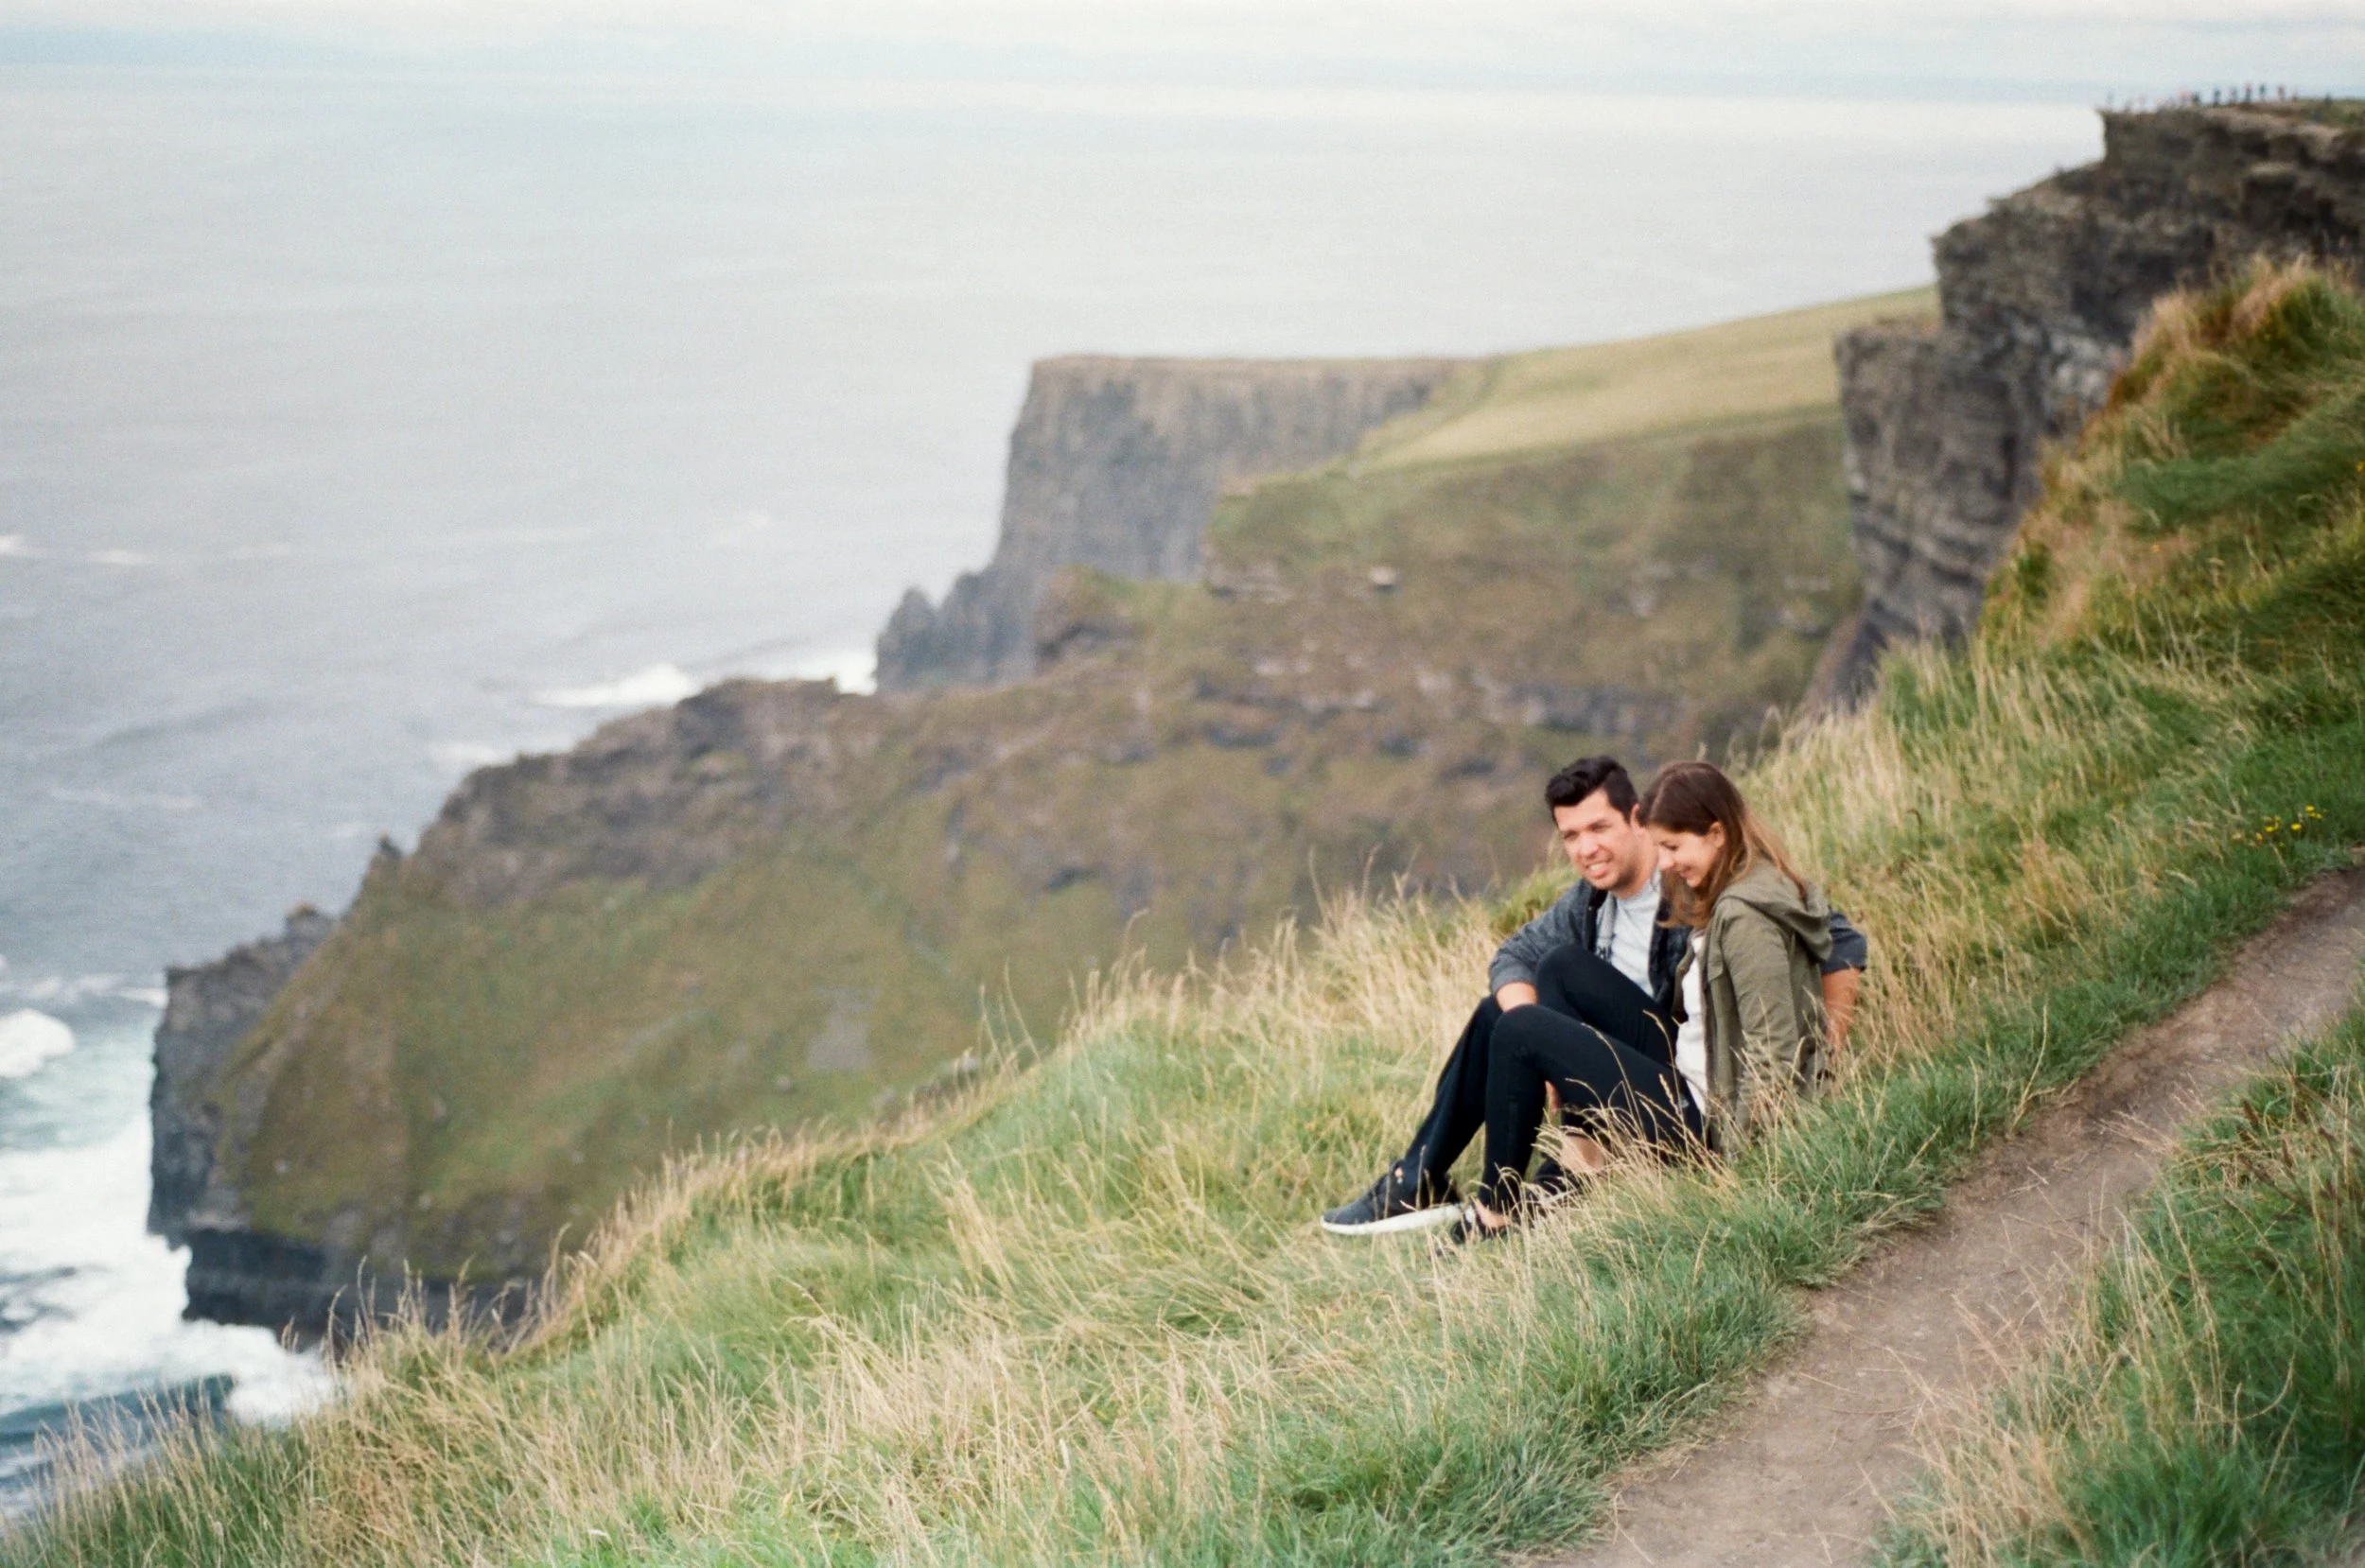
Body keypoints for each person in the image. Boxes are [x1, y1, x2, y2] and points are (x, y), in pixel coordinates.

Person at [1320, 756, 1866, 1237]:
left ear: (1638, 822)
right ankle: (1420, 1179)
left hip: (1684, 1074)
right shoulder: (1591, 900)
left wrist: (1825, 1056)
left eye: (1599, 827)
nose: (1586, 848)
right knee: (1511, 1006)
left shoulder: (1705, 888)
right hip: (1660, 1064)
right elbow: (1514, 954)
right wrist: (1553, 1050)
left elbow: (1834, 940)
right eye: (1571, 836)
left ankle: (1521, 1197)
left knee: (1525, 1021)